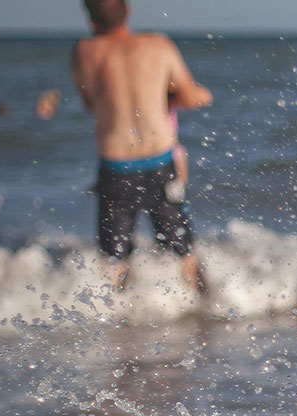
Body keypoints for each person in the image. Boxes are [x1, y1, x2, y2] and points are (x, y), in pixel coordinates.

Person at [70, 0, 210, 292]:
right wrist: (195, 95)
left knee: (115, 259)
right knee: (184, 253)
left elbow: (90, 103)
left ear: (91, 20)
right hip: (160, 164)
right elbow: (187, 96)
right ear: (128, 11)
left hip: (116, 169)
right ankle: (204, 314)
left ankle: (118, 324)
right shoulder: (158, 45)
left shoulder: (84, 52)